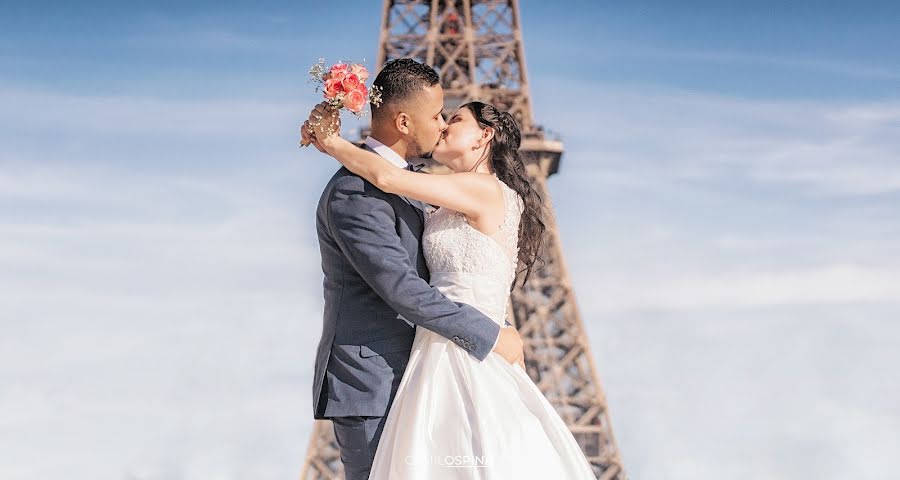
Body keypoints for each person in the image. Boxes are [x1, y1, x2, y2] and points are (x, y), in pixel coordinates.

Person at [302, 61, 596, 479]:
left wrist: (331, 140)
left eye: (451, 118)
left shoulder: (465, 190)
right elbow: (404, 286)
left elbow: (387, 178)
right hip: (391, 371)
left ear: (485, 136)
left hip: (446, 353)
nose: (441, 125)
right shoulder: (361, 191)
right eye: (440, 115)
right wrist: (493, 333)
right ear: (404, 120)